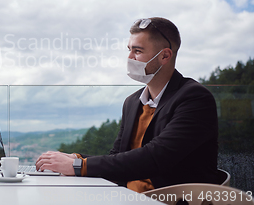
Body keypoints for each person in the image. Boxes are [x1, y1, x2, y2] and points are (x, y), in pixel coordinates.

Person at [36, 17, 221, 192]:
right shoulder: (132, 102)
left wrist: (78, 166)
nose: (130, 57)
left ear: (164, 56)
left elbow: (155, 158)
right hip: (126, 196)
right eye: (129, 49)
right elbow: (117, 157)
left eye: (138, 51)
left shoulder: (194, 98)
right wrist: (77, 159)